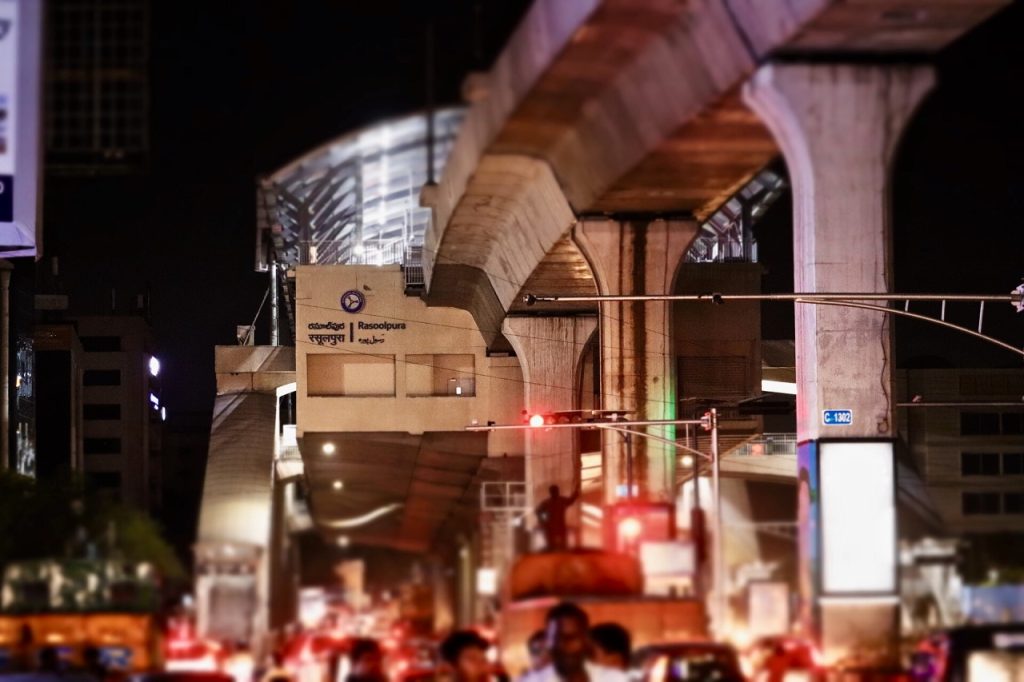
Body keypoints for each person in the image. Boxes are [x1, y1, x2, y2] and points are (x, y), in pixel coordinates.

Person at [520, 602, 628, 682]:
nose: (563, 646)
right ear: (548, 642)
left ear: (586, 641)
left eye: (571, 638)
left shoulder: (614, 679)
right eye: (556, 639)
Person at [535, 481, 580, 551]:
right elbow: (538, 511)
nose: (556, 492)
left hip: (556, 525)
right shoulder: (552, 502)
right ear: (552, 492)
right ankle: (554, 555)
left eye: (556, 491)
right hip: (552, 526)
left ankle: (558, 555)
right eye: (554, 491)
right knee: (553, 545)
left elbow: (571, 500)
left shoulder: (554, 501)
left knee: (560, 544)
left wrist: (542, 521)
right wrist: (542, 522)